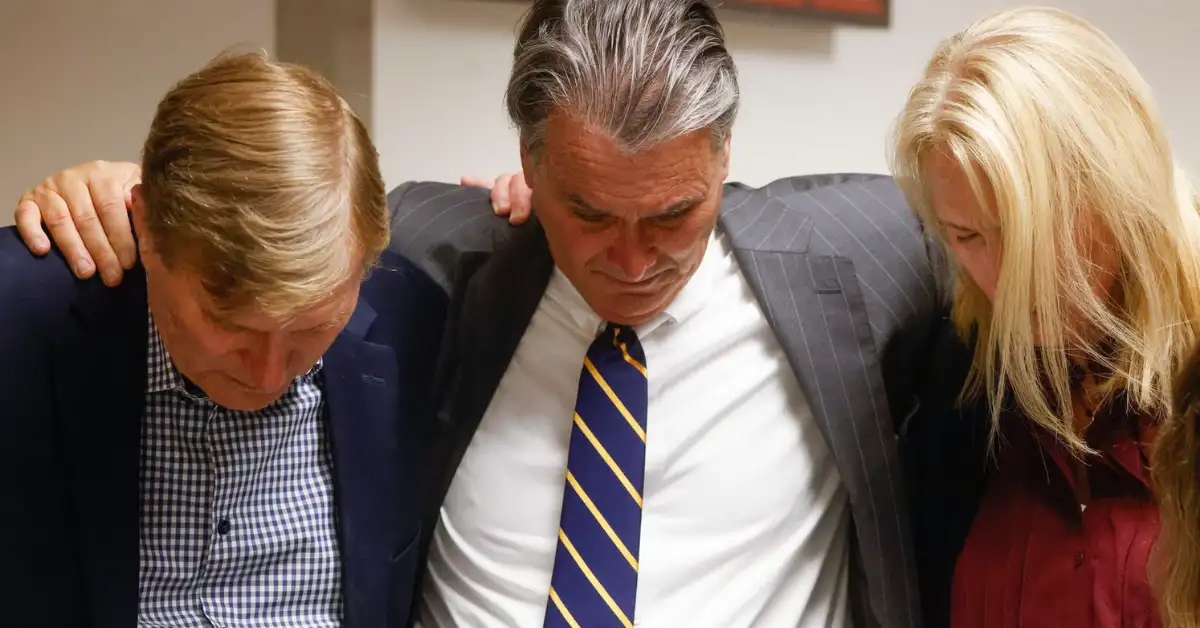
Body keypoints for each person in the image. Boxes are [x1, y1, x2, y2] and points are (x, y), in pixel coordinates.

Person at [11, 1, 947, 626]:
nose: (630, 262)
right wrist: (130, 193)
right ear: (528, 166)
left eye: (673, 214)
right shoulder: (439, 251)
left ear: (725, 154)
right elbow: (248, 214)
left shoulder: (868, 251)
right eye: (588, 212)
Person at [0, 51, 454, 627]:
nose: (267, 375)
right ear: (145, 226)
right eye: (230, 324)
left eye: (312, 329)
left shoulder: (415, 322)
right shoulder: (18, 325)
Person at [892, 6, 1200, 628]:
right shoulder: (960, 389)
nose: (1005, 281)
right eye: (968, 236)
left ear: (1121, 187)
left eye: (1034, 232)